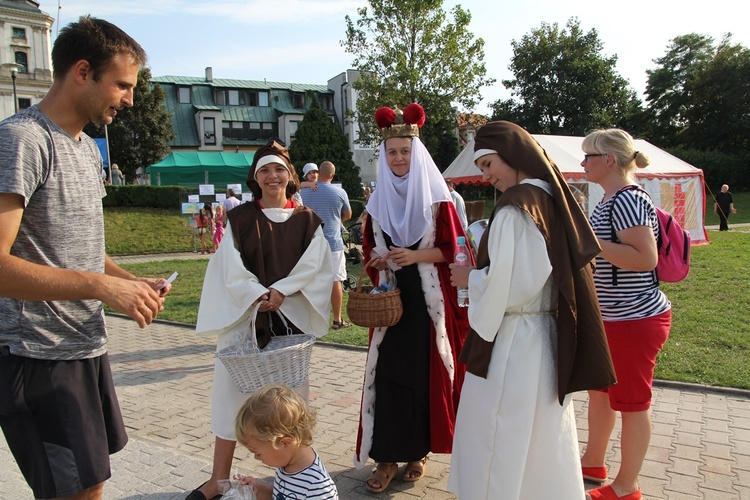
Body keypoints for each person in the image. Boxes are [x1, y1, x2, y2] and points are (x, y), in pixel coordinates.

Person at [0, 16, 171, 500]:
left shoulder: (86, 150)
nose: (130, 99)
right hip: (35, 356)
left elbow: (81, 251)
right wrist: (101, 287)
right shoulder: (21, 140)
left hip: (83, 347)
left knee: (90, 485)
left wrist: (129, 281)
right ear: (81, 71)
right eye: (122, 84)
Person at [446, 121, 616, 499]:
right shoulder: (550, 198)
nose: (487, 176)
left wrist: (470, 278)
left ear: (513, 155)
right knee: (539, 436)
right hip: (542, 336)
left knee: (498, 433)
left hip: (513, 341)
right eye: (483, 168)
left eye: (490, 164)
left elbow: (511, 287)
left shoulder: (516, 209)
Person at [187, 139, 334, 500]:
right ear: (256, 178)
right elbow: (228, 266)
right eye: (265, 170)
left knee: (286, 407)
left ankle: (295, 477)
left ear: (290, 176)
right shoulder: (240, 218)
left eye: (279, 169)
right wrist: (256, 292)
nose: (272, 176)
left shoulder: (307, 221)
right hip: (246, 317)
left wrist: (282, 289)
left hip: (289, 322)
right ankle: (218, 479)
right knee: (229, 398)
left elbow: (316, 265)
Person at [354, 103, 471, 493]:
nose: (399, 158)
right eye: (392, 152)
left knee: (422, 376)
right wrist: (376, 259)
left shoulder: (439, 200)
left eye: (405, 151)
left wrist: (417, 255)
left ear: (416, 154)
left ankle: (417, 452)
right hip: (389, 302)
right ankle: (385, 457)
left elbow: (456, 251)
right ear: (384, 157)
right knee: (386, 378)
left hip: (425, 303)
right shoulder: (376, 203)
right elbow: (369, 247)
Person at [579, 129, 673, 500]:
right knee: (600, 394)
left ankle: (626, 487)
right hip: (615, 318)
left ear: (609, 160)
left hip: (634, 319)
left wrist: (590, 243)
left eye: (588, 156)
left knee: (632, 403)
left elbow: (645, 258)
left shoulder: (628, 201)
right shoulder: (610, 199)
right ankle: (593, 462)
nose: (583, 162)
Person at [234, 384, 338, 500]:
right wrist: (259, 490)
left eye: (258, 453)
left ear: (285, 442)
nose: (256, 458)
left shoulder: (316, 486)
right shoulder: (287, 464)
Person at [300, 160, 353, 329]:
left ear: (317, 173)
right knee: (336, 279)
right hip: (333, 242)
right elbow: (348, 215)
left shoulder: (303, 192)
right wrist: (335, 219)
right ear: (332, 175)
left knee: (308, 280)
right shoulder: (339, 192)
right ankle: (337, 319)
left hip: (309, 243)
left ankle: (310, 318)